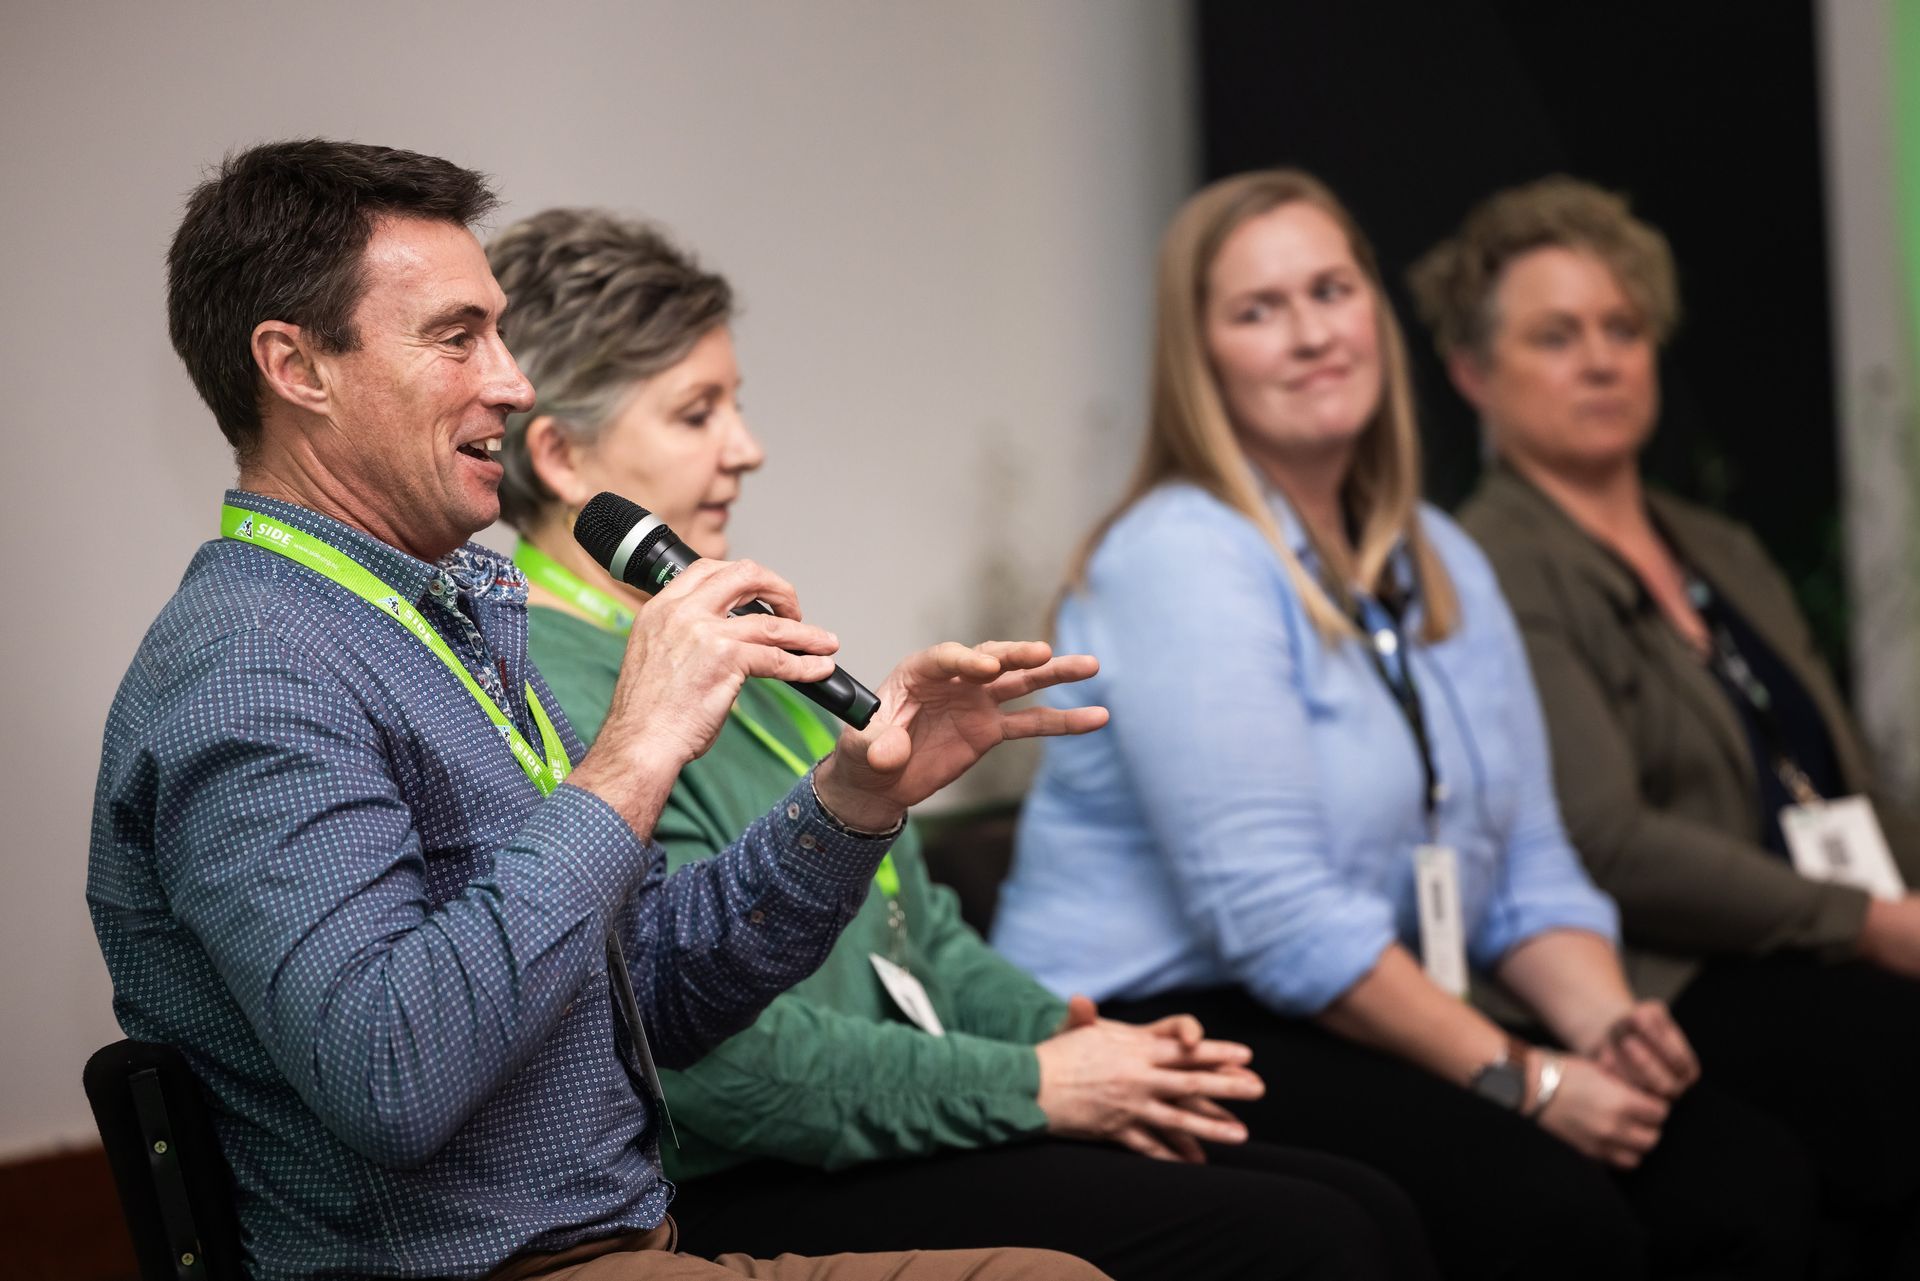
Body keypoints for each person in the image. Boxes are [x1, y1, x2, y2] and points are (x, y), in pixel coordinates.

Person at [87, 139, 1113, 1281]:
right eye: (455, 336)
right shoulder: (252, 670)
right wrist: (631, 753)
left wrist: (852, 800)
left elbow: (653, 996)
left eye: (502, 330)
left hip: (636, 1240)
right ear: (297, 367)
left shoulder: (430, 623)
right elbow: (392, 1070)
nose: (512, 381)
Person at [483, 205, 1440, 1281]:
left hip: (894, 1124)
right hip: (752, 1174)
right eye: (697, 413)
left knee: (1361, 1198)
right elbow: (717, 1072)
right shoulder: (544, 684)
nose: (746, 450)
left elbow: (918, 932)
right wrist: (1034, 1083)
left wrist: (1075, 1042)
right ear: (562, 458)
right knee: (1319, 1234)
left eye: (736, 406)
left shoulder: (747, 634)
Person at [990, 168, 1820, 1281]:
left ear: (1375, 312)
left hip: (1350, 997)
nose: (1308, 335)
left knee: (1738, 1174)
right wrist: (1519, 1077)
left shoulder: (1439, 556)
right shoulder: (1182, 555)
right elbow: (1275, 918)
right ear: (1201, 360)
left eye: (1330, 291)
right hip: (1155, 1015)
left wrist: (1605, 1025)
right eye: (1258, 310)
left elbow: (1526, 858)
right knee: (1547, 1209)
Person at [1418, 174, 1920, 1277]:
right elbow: (1610, 837)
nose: (1601, 359)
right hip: (1671, 975)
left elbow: (1848, 775)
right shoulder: (1488, 562)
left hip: (1823, 939)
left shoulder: (1719, 546)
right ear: (1472, 374)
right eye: (1557, 337)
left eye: (1622, 328)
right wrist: (1875, 927)